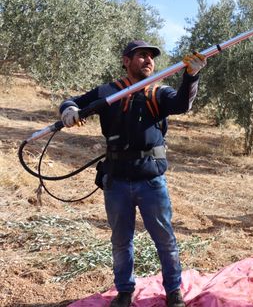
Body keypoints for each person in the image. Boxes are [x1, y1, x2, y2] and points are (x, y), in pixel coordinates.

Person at [59, 40, 207, 307]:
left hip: (151, 182)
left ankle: (173, 290)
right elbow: (73, 102)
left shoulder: (158, 93)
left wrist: (191, 76)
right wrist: (69, 110)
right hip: (116, 182)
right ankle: (125, 291)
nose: (148, 60)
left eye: (151, 56)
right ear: (126, 60)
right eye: (141, 55)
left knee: (165, 238)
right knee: (121, 240)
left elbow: (182, 104)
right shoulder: (108, 92)